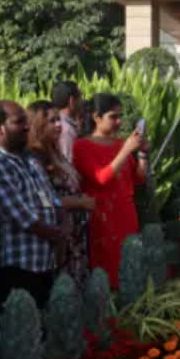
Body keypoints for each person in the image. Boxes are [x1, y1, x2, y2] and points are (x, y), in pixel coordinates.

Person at [0, 101, 64, 311]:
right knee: (18, 335)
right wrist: (56, 234)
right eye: (19, 122)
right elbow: (18, 215)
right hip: (14, 268)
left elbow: (53, 200)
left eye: (26, 121)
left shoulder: (30, 159)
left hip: (44, 263)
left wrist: (61, 226)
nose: (27, 127)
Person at [73, 94, 147, 289]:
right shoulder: (82, 146)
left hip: (126, 214)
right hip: (102, 218)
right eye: (113, 117)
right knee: (106, 275)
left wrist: (142, 154)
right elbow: (101, 178)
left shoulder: (120, 144)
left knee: (129, 268)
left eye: (120, 116)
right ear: (97, 117)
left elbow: (138, 178)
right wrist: (126, 151)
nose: (119, 122)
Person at [26, 101, 95, 289]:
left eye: (59, 120)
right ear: (37, 125)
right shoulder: (33, 157)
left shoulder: (55, 152)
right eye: (52, 121)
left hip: (75, 236)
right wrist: (77, 203)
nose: (59, 125)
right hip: (58, 235)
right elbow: (41, 199)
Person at [51, 81, 83, 163]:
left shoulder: (58, 123)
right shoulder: (66, 130)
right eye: (80, 96)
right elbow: (69, 163)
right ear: (71, 101)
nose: (82, 101)